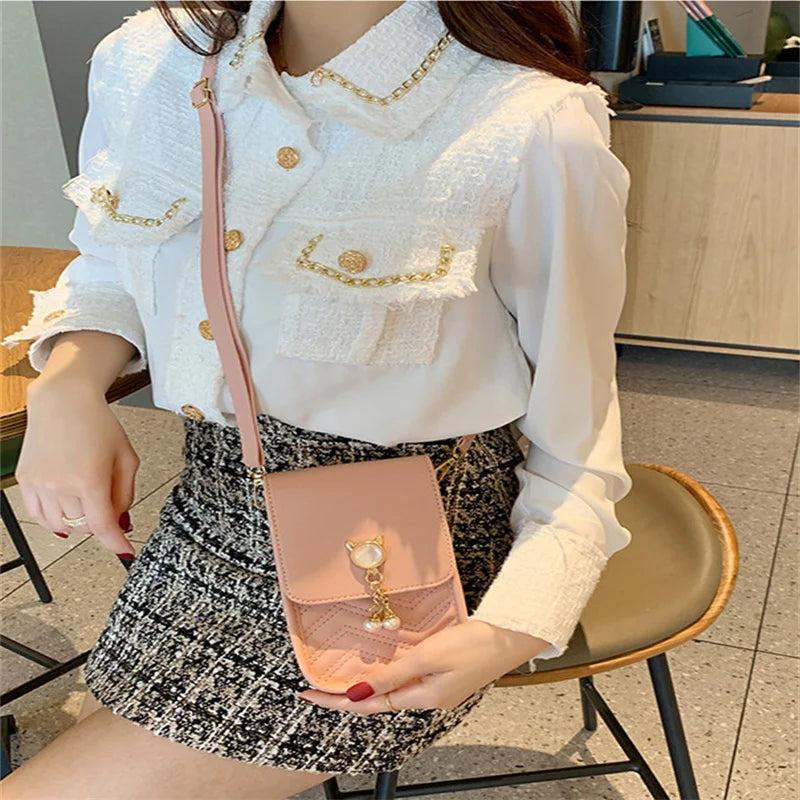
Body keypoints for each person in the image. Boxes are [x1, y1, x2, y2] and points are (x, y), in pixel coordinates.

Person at [0, 1, 633, 797]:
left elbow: (579, 439)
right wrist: (67, 385)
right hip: (213, 504)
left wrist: (515, 626)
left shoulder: (527, 123)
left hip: (404, 545)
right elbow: (110, 259)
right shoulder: (148, 61)